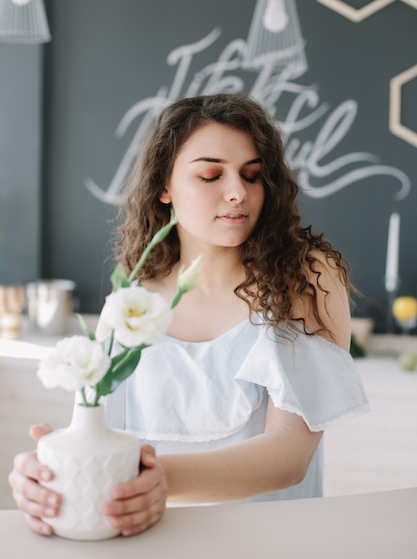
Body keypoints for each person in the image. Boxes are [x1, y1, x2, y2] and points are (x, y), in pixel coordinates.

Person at [9, 93, 369, 538]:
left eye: (252, 175)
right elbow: (94, 430)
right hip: (147, 540)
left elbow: (290, 455)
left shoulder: (304, 276)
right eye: (210, 174)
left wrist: (160, 480)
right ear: (164, 186)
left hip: (270, 543)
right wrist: (50, 471)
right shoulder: (134, 294)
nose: (237, 191)